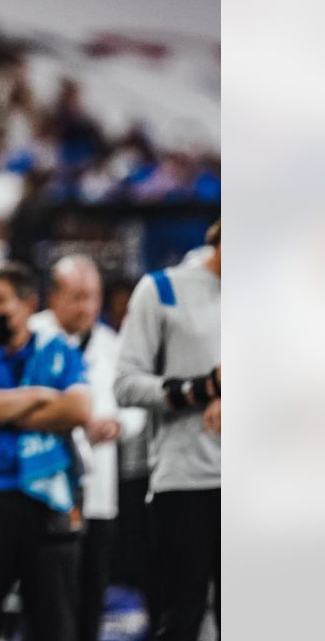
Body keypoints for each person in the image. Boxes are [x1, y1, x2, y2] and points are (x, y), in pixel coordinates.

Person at [0, 261, 92, 641]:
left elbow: (79, 409)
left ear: (29, 304)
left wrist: (3, 409)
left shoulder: (56, 348)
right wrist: (41, 397)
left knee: (53, 621)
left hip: (46, 501)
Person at [30, 255, 147, 641]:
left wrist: (119, 424)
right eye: (78, 297)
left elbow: (136, 406)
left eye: (93, 297)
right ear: (54, 297)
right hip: (42, 487)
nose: (87, 307)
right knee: (46, 596)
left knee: (92, 588)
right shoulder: (32, 337)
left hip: (97, 489)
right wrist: (77, 424)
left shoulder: (114, 345)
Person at [114, 220, 221, 640]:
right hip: (186, 478)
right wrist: (200, 388)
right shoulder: (162, 288)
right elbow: (125, 384)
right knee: (182, 618)